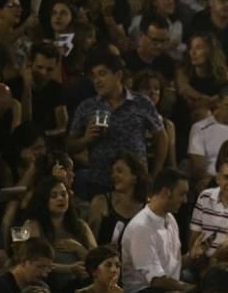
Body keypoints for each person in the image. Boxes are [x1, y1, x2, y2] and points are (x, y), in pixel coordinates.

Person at [68, 51, 166, 199]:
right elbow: (69, 145)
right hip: (100, 184)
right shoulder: (86, 107)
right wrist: (86, 139)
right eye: (93, 76)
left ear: (118, 75)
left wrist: (155, 174)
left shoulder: (142, 102)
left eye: (102, 74)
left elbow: (161, 137)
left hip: (136, 183)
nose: (97, 80)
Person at [121, 169, 197, 293]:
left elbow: (173, 266)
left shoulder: (170, 219)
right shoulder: (142, 227)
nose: (185, 200)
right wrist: (191, 289)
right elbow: (156, 280)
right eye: (182, 194)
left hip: (167, 288)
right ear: (166, 193)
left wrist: (193, 256)